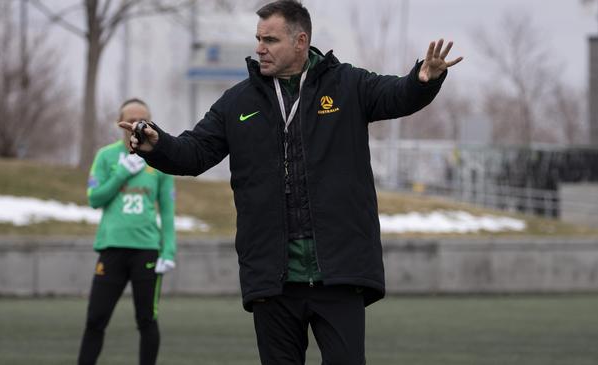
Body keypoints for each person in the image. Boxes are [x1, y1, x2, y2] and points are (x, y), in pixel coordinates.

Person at [121, 1, 462, 363]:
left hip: (338, 274)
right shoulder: (237, 101)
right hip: (273, 278)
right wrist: (158, 145)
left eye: (270, 39)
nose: (260, 48)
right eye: (258, 39)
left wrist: (424, 79)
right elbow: (195, 152)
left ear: (301, 41)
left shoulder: (348, 84)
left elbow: (397, 94)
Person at [78, 98, 177, 365]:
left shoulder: (161, 160)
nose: (136, 124)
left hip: (146, 250)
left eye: (142, 118)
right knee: (96, 318)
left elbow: (167, 211)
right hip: (112, 248)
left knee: (146, 319)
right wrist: (121, 174)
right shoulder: (106, 157)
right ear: (120, 123)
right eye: (130, 119)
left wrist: (168, 250)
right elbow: (94, 198)